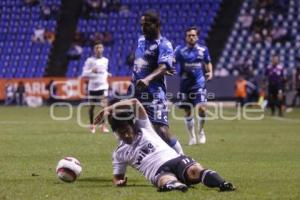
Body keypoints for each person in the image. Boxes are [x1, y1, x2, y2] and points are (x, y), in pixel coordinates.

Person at [93, 98, 235, 192]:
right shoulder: (119, 153)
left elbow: (135, 102)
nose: (125, 135)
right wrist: (118, 182)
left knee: (195, 171)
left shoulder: (144, 127)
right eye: (120, 133)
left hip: (175, 159)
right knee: (165, 180)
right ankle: (177, 186)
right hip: (158, 172)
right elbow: (117, 177)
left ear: (132, 125)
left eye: (126, 131)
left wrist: (109, 108)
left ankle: (222, 184)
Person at [128, 11, 183, 154]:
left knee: (161, 129)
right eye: (141, 25)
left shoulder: (164, 44)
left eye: (146, 25)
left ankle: (185, 159)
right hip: (135, 91)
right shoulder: (141, 39)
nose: (143, 28)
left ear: (157, 25)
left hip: (154, 93)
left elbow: (164, 65)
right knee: (129, 125)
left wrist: (149, 78)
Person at [174, 26, 213, 145]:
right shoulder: (179, 50)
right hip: (185, 84)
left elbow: (208, 62)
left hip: (199, 83)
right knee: (188, 111)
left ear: (197, 37)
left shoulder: (203, 49)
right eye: (189, 35)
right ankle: (192, 137)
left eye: (193, 35)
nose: (191, 37)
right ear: (186, 37)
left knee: (201, 108)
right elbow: (172, 61)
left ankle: (201, 131)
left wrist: (210, 71)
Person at [81, 41, 111, 133]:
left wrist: (107, 74)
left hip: (103, 86)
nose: (99, 49)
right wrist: (91, 71)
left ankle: (103, 126)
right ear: (94, 50)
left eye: (100, 47)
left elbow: (104, 71)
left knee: (104, 107)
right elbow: (83, 73)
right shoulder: (90, 61)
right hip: (93, 87)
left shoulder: (106, 60)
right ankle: (92, 125)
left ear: (103, 49)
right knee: (92, 107)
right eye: (97, 48)